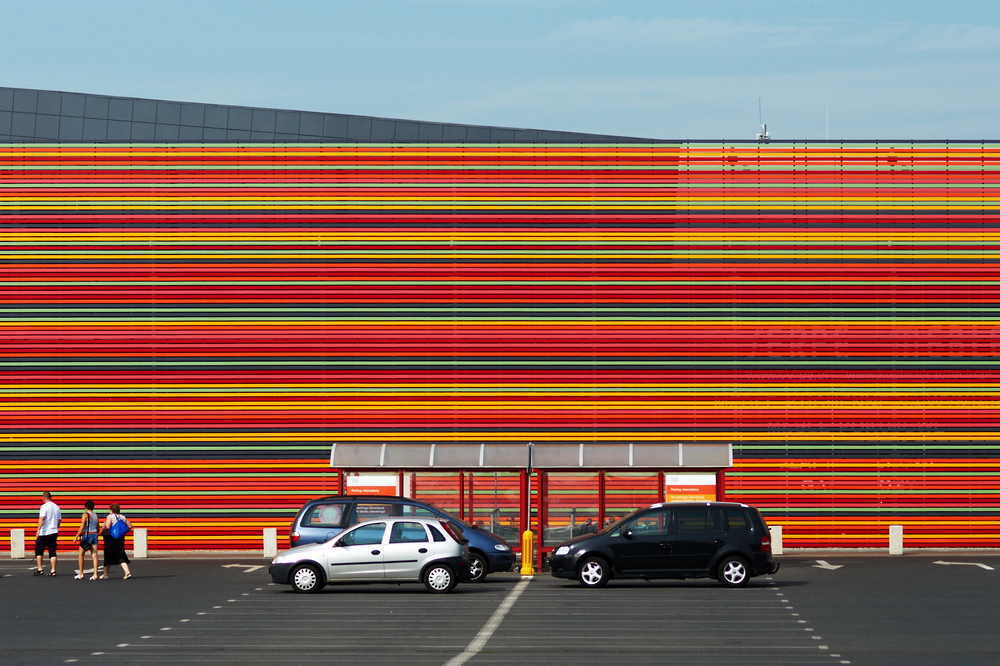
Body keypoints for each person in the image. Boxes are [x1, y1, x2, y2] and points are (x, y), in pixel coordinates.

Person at [101, 503, 133, 579]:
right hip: (120, 538)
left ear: (111, 510)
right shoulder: (122, 517)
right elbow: (130, 526)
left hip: (110, 538)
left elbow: (108, 526)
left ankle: (107, 574)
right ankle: (125, 572)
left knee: (110, 554)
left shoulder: (110, 516)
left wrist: (102, 530)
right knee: (118, 553)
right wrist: (122, 532)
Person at [72, 500, 101, 580]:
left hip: (87, 535)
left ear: (85, 507)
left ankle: (81, 574)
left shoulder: (85, 515)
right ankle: (95, 574)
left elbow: (82, 527)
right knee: (94, 555)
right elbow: (98, 527)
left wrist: (76, 536)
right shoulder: (95, 515)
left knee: (81, 554)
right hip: (95, 535)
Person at [34, 491, 61, 576]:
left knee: (39, 551)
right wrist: (56, 527)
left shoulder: (44, 507)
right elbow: (59, 520)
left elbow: (42, 518)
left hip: (44, 532)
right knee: (52, 551)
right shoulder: (57, 507)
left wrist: (38, 529)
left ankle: (40, 569)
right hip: (53, 532)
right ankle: (53, 570)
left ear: (43, 498)